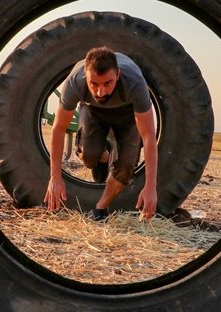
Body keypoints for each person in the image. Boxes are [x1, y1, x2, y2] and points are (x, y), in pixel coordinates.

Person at [44, 46, 158, 220]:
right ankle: (103, 154)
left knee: (126, 166)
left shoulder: (135, 83)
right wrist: (55, 177)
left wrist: (151, 187)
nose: (101, 92)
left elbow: (149, 136)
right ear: (85, 76)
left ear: (118, 75)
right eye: (94, 84)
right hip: (93, 111)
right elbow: (59, 129)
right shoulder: (75, 82)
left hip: (127, 113)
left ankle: (100, 209)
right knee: (89, 156)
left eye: (108, 83)